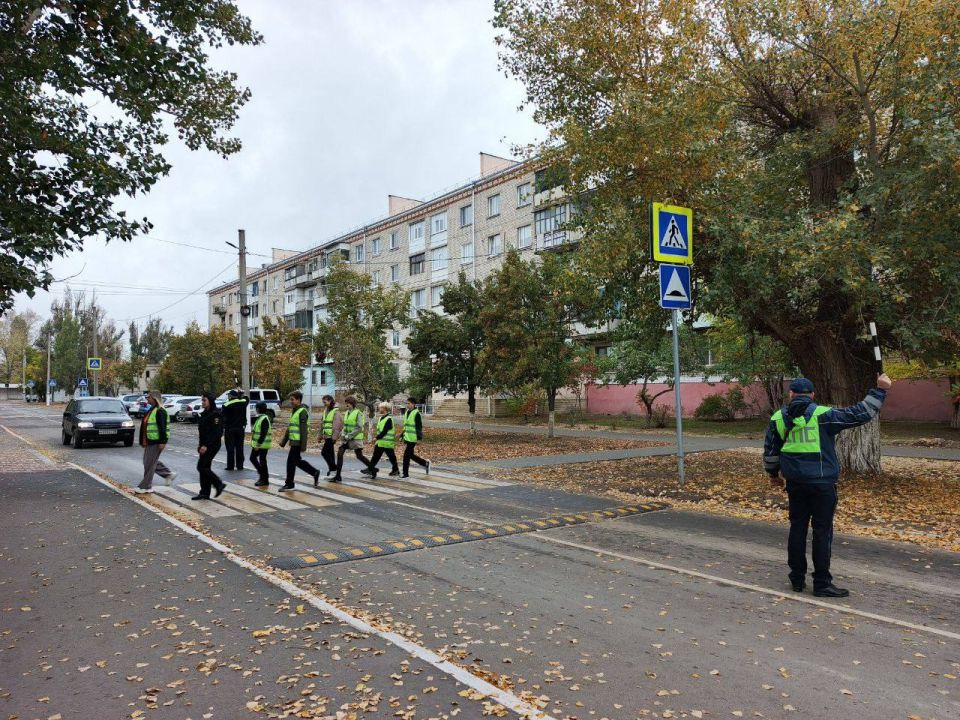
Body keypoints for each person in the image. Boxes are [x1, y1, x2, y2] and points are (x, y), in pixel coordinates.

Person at [764, 373, 893, 598]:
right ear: (812, 395)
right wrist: (880, 389)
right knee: (822, 532)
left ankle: (796, 579)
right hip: (822, 484)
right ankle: (822, 583)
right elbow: (861, 413)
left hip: (795, 484)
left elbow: (771, 452)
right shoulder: (823, 415)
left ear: (791, 394)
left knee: (797, 528)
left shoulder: (778, 417)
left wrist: (773, 475)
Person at [278, 391, 320, 491]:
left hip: (297, 442)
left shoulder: (302, 412)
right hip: (293, 441)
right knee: (297, 461)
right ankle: (314, 472)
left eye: (292, 399)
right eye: (290, 399)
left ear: (298, 400)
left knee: (291, 462)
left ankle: (289, 484)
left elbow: (303, 430)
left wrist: (303, 446)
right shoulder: (295, 410)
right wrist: (284, 441)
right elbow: (290, 427)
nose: (290, 401)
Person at [136, 390, 176, 493]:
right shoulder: (152, 409)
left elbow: (163, 428)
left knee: (149, 464)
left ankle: (146, 487)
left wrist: (163, 442)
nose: (147, 399)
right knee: (149, 462)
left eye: (148, 397)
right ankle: (167, 474)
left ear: (154, 398)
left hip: (156, 441)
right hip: (150, 440)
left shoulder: (160, 410)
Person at [332, 396, 374, 483]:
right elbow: (345, 425)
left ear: (352, 404)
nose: (346, 404)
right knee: (340, 452)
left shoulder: (358, 413)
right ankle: (338, 476)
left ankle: (372, 469)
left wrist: (349, 435)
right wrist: (343, 433)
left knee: (359, 456)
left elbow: (359, 427)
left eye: (348, 403)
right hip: (347, 439)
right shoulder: (347, 413)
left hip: (355, 439)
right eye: (346, 402)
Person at [194, 392, 225, 500]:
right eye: (202, 400)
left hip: (212, 445)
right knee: (204, 467)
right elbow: (202, 432)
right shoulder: (204, 414)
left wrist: (206, 445)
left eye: (204, 400)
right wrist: (200, 445)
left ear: (210, 401)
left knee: (201, 467)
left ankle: (219, 484)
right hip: (204, 445)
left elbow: (217, 433)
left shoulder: (216, 414)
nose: (202, 402)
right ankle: (204, 492)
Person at [366, 402, 400, 479]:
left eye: (381, 408)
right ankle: (370, 469)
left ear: (385, 409)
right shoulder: (381, 418)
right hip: (381, 442)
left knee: (391, 457)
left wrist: (376, 437)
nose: (379, 409)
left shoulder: (389, 419)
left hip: (387, 442)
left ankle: (395, 470)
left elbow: (385, 431)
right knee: (376, 456)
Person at [401, 397, 430, 478]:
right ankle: (425, 463)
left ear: (413, 404)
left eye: (409, 403)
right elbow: (406, 426)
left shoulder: (416, 413)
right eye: (406, 403)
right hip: (407, 437)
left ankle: (405, 474)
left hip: (413, 438)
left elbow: (418, 427)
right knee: (411, 455)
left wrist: (419, 438)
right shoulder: (407, 412)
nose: (407, 405)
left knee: (406, 455)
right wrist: (402, 435)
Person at [221, 388, 249, 471]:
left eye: (228, 395)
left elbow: (223, 417)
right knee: (239, 447)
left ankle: (230, 466)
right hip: (240, 429)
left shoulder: (226, 405)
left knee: (230, 448)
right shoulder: (243, 402)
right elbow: (246, 398)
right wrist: (241, 393)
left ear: (230, 396)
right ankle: (240, 466)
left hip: (230, 429)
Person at [249, 402, 272, 487]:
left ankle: (264, 479)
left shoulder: (264, 419)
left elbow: (263, 433)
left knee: (262, 461)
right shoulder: (261, 418)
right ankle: (262, 476)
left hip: (262, 445)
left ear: (258, 409)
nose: (255, 409)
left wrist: (258, 445)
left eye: (256, 408)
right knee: (253, 458)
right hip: (260, 444)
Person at [319, 394, 340, 476]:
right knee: (330, 454)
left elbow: (337, 426)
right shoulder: (326, 410)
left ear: (330, 401)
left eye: (325, 402)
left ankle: (333, 468)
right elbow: (322, 424)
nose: (324, 403)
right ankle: (333, 470)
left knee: (324, 452)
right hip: (326, 436)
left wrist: (334, 437)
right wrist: (320, 436)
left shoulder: (336, 411)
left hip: (331, 436)